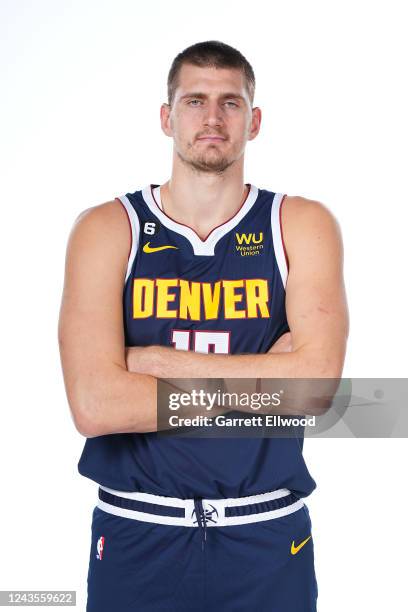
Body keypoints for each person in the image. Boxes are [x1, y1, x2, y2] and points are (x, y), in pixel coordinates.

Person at [58, 40, 349, 612]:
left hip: (266, 535)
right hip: (137, 533)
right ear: (167, 118)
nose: (212, 118)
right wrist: (271, 379)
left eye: (230, 102)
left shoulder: (298, 224)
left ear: (254, 119)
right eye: (194, 100)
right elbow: (95, 406)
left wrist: (153, 364)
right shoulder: (107, 228)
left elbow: (315, 390)